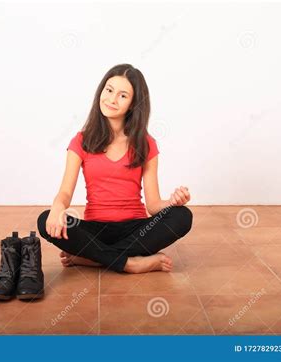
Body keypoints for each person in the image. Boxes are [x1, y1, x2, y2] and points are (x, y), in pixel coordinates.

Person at [37, 64, 193, 274]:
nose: (111, 99)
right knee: (44, 219)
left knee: (182, 216)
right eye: (109, 90)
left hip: (136, 228)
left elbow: (154, 205)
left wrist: (173, 202)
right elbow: (65, 192)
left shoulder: (146, 144)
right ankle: (130, 263)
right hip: (95, 230)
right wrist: (57, 207)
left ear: (133, 104)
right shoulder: (81, 141)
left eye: (122, 95)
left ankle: (94, 258)